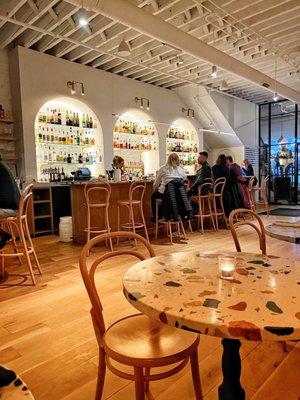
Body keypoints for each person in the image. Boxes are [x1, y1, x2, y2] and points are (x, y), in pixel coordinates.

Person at [151, 153, 186, 220]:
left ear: (168, 159)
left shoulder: (163, 168)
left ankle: (157, 217)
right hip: (179, 195)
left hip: (166, 194)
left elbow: (156, 184)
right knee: (169, 198)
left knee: (153, 196)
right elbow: (184, 180)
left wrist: (156, 190)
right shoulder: (181, 169)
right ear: (178, 159)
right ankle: (173, 215)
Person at [0, 153, 20, 248]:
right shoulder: (3, 166)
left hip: (10, 208)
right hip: (12, 206)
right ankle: (3, 234)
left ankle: (3, 234)